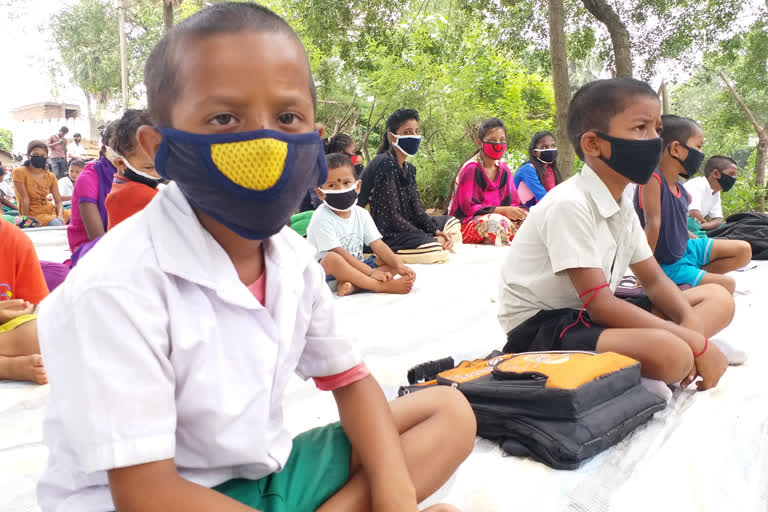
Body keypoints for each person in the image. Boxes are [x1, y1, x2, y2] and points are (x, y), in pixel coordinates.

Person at [36, 4, 476, 512]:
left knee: (449, 411)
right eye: (225, 117)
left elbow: (351, 382)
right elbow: (145, 494)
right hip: (146, 499)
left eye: (287, 117)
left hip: (262, 478)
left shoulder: (290, 257)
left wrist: (395, 497)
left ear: (314, 139)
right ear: (161, 148)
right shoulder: (114, 286)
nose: (265, 140)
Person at [499, 78, 734, 396]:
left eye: (657, 130)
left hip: (591, 314)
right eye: (640, 128)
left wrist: (690, 329)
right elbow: (600, 305)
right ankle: (667, 357)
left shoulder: (622, 202)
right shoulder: (570, 204)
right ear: (593, 144)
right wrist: (694, 341)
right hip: (546, 325)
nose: (654, 141)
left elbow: (653, 280)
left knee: (719, 299)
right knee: (674, 355)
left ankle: (658, 354)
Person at [635, 115, 751, 293]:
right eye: (698, 146)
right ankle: (675, 280)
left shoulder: (681, 190)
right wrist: (645, 273)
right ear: (675, 148)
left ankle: (687, 280)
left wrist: (699, 241)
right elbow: (652, 224)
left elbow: (679, 226)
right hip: (667, 262)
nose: (700, 153)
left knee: (744, 249)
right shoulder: (653, 179)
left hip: (686, 248)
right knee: (728, 285)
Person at [358, 109, 461, 264]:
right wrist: (429, 237)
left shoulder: (410, 169)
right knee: (433, 247)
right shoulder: (384, 164)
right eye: (407, 132)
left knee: (451, 223)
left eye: (416, 131)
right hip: (381, 233)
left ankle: (435, 243)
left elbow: (418, 211)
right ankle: (384, 253)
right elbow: (391, 219)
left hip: (406, 225)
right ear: (392, 137)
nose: (413, 136)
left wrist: (437, 231)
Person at [308, 153, 416, 296]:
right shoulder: (320, 217)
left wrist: (400, 266)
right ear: (321, 194)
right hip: (328, 274)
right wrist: (371, 273)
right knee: (331, 259)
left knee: (392, 259)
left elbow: (377, 244)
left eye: (346, 183)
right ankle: (378, 286)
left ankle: (353, 286)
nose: (341, 189)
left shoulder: (361, 213)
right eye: (332, 185)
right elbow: (338, 253)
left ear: (357, 186)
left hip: (358, 269)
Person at [448, 118, 527, 246]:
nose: (498, 144)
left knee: (530, 221)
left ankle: (492, 240)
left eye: (502, 140)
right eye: (492, 140)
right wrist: (502, 211)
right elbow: (468, 208)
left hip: (500, 218)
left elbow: (515, 202)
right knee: (497, 223)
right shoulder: (471, 169)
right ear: (479, 143)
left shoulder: (504, 170)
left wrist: (521, 213)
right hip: (465, 224)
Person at [0, 218, 49, 384]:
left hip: (7, 335)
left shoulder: (14, 240)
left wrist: (22, 309)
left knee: (40, 334)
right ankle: (6, 367)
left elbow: (38, 308)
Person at [105, 109, 162, 229]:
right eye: (148, 167)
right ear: (121, 163)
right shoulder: (139, 195)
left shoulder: (120, 186)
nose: (158, 173)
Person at [67, 123, 117, 253]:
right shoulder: (88, 178)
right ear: (106, 148)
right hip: (92, 251)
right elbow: (98, 241)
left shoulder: (136, 175)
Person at [12, 141, 68, 227]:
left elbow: (58, 201)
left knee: (77, 215)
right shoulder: (19, 172)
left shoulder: (50, 176)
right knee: (56, 224)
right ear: (28, 155)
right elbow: (24, 199)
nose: (39, 157)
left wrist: (60, 215)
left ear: (47, 157)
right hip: (32, 214)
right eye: (36, 154)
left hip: (50, 210)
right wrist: (26, 221)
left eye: (43, 156)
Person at [684, 155, 738, 234]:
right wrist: (707, 225)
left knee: (731, 226)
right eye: (731, 173)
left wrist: (703, 226)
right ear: (715, 173)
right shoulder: (696, 184)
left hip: (698, 225)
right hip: (684, 221)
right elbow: (694, 213)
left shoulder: (716, 192)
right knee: (691, 223)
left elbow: (717, 220)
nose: (733, 178)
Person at [514, 131, 564, 208]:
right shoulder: (527, 170)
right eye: (545, 147)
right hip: (521, 214)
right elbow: (543, 197)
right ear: (535, 152)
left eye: (553, 146)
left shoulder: (550, 169)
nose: (550, 150)